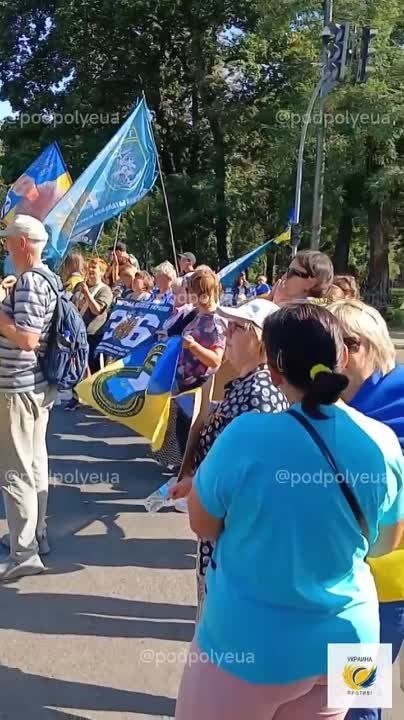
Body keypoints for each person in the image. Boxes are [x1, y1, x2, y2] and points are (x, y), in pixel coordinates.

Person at [175, 302, 404, 720]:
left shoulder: (246, 435)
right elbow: (385, 543)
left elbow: (201, 523)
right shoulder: (383, 441)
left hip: (248, 646)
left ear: (275, 372)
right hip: (352, 642)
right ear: (342, 357)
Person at [171, 299, 289, 620]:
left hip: (235, 535)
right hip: (222, 528)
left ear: (261, 340)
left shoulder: (261, 392)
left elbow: (258, 474)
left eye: (237, 328)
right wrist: (196, 480)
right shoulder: (246, 384)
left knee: (222, 625)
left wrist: (204, 487)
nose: (227, 334)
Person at [329, 299, 404, 720]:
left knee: (356, 699)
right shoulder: (327, 413)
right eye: (331, 344)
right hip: (359, 585)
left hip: (384, 583)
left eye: (350, 343)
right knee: (357, 698)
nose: (339, 354)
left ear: (376, 347)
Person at [0, 215, 60, 580]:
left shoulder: (30, 283)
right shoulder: (45, 278)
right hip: (36, 385)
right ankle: (35, 535)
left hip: (18, 387)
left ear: (22, 244)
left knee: (16, 469)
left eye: (8, 241)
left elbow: (27, 339)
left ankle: (24, 552)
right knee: (34, 463)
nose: (6, 248)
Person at [176, 267, 226, 392]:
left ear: (202, 294)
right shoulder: (199, 314)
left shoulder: (216, 321)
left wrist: (193, 346)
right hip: (184, 382)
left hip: (198, 388)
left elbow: (216, 360)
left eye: (189, 290)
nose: (187, 293)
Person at [72, 258, 113, 374]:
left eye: (94, 267)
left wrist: (87, 294)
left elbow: (97, 310)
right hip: (77, 332)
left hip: (93, 336)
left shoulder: (105, 290)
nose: (90, 269)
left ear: (102, 272)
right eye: (89, 267)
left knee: (92, 367)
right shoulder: (79, 286)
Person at [265, 250, 334, 305]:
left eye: (291, 272)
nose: (284, 276)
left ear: (311, 283)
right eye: (287, 271)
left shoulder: (304, 315)